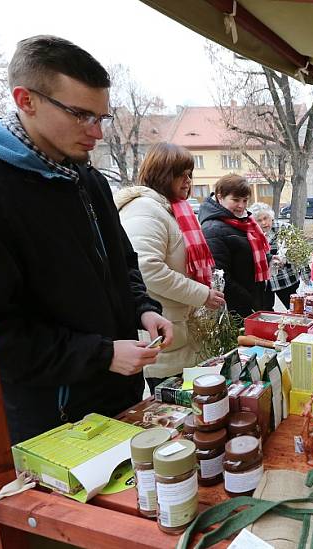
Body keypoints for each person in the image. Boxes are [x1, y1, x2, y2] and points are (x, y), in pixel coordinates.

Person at [0, 35, 173, 443]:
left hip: (116, 397)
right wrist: (104, 354)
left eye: (102, 118)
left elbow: (123, 262)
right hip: (55, 420)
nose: (96, 133)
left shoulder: (86, 176)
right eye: (80, 115)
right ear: (26, 100)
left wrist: (143, 308)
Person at [115, 143, 226, 392]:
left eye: (189, 174)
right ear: (163, 174)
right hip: (165, 334)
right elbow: (147, 270)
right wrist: (202, 294)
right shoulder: (144, 209)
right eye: (181, 174)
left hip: (179, 332)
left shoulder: (171, 209)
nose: (187, 181)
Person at [200, 175, 269, 317]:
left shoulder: (243, 222)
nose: (242, 206)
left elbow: (246, 257)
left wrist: (269, 259)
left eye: (245, 200)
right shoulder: (213, 229)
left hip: (250, 301)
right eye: (236, 200)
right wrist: (249, 302)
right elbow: (221, 276)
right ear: (220, 197)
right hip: (235, 309)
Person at [249, 202, 300, 310]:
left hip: (285, 278)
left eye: (265, 218)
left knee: (295, 309)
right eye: (259, 220)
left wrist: (285, 259)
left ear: (271, 216)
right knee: (266, 311)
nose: (263, 223)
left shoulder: (285, 228)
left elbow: (296, 251)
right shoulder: (251, 233)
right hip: (264, 281)